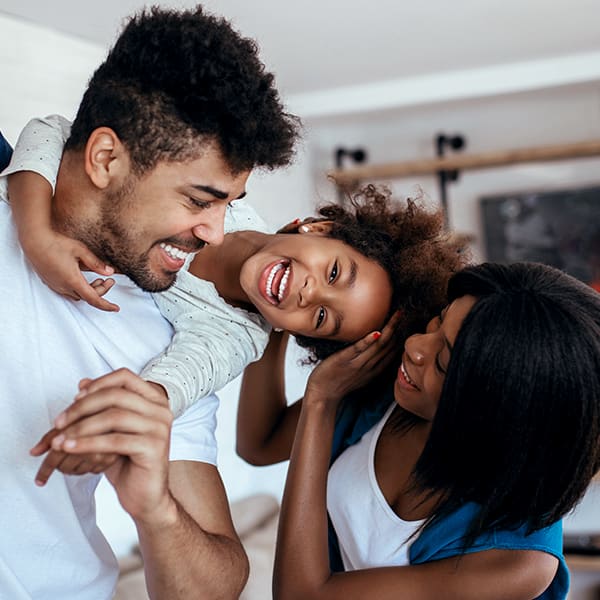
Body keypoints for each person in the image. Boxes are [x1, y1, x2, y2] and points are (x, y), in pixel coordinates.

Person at [0, 5, 300, 600]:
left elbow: (217, 585)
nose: (216, 232)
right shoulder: (19, 194)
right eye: (198, 200)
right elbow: (44, 134)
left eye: (229, 204)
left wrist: (157, 508)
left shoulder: (173, 345)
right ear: (106, 158)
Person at [238, 262, 600, 599]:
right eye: (438, 322)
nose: (414, 347)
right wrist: (269, 308)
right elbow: (259, 443)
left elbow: (303, 595)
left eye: (442, 362)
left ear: (496, 414)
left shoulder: (516, 561)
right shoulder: (396, 390)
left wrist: (321, 402)